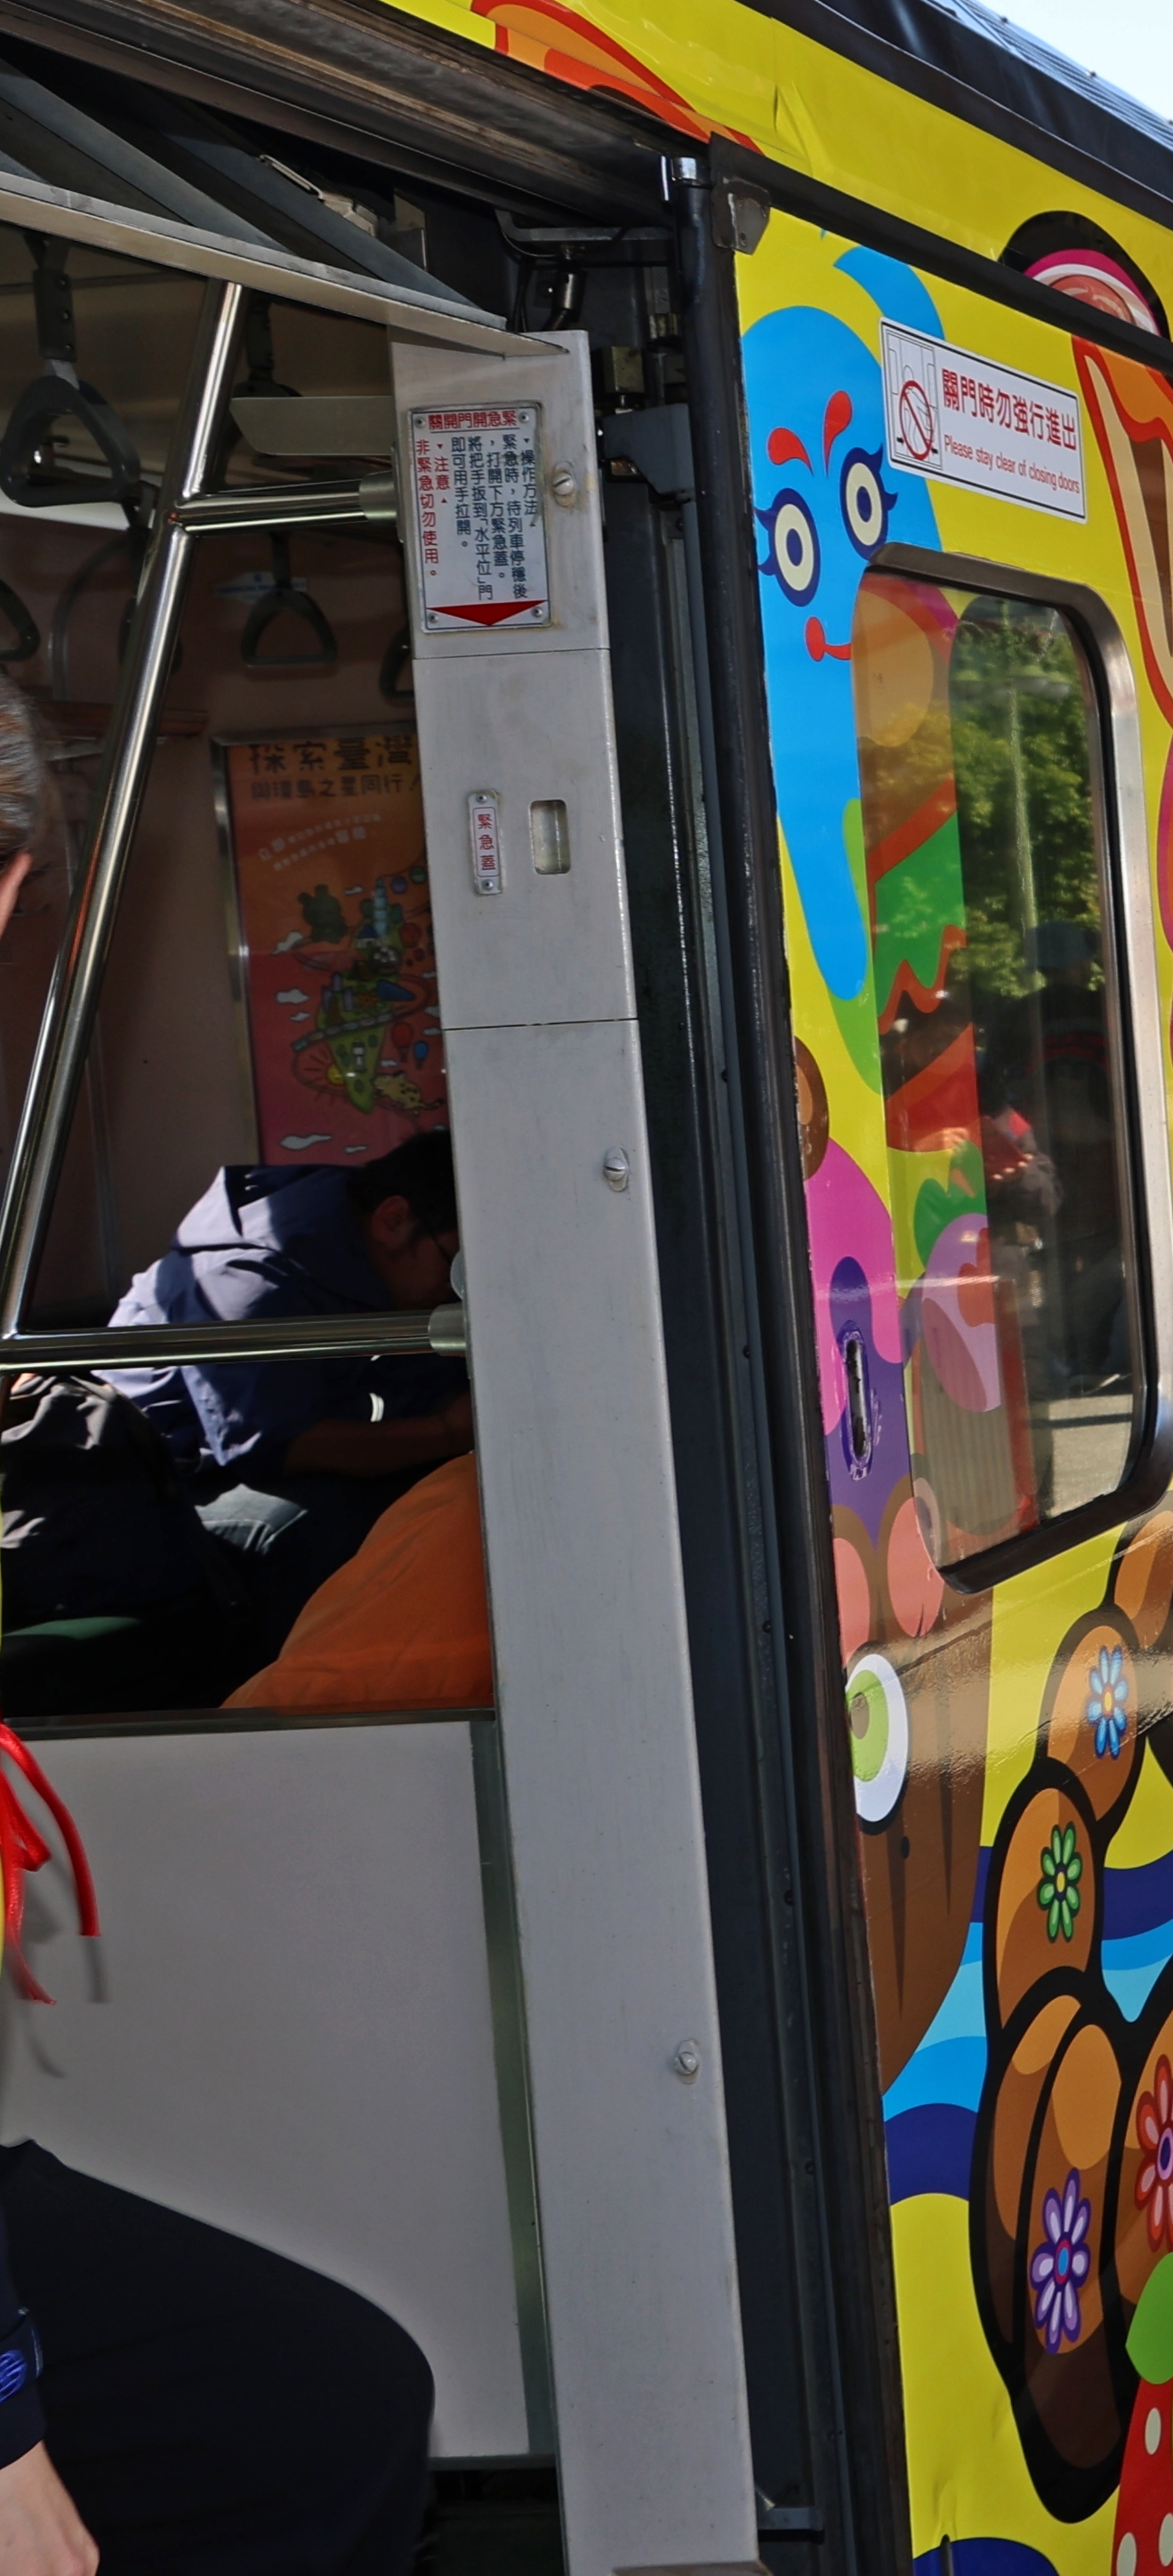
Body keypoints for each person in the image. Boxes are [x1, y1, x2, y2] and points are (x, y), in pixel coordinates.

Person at [0, 675, 438, 2569]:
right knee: (276, 1533)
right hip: (136, 1514)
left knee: (325, 2402)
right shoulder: (266, 1255)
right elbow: (289, 1440)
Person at [101, 1130, 472, 1633]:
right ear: (392, 1220)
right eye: (456, 1268)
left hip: (237, 1466)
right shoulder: (248, 1277)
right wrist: (445, 1433)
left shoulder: (365, 1260)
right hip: (156, 1494)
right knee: (327, 1519)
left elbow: (422, 1382)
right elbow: (275, 1443)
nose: (459, 1292)